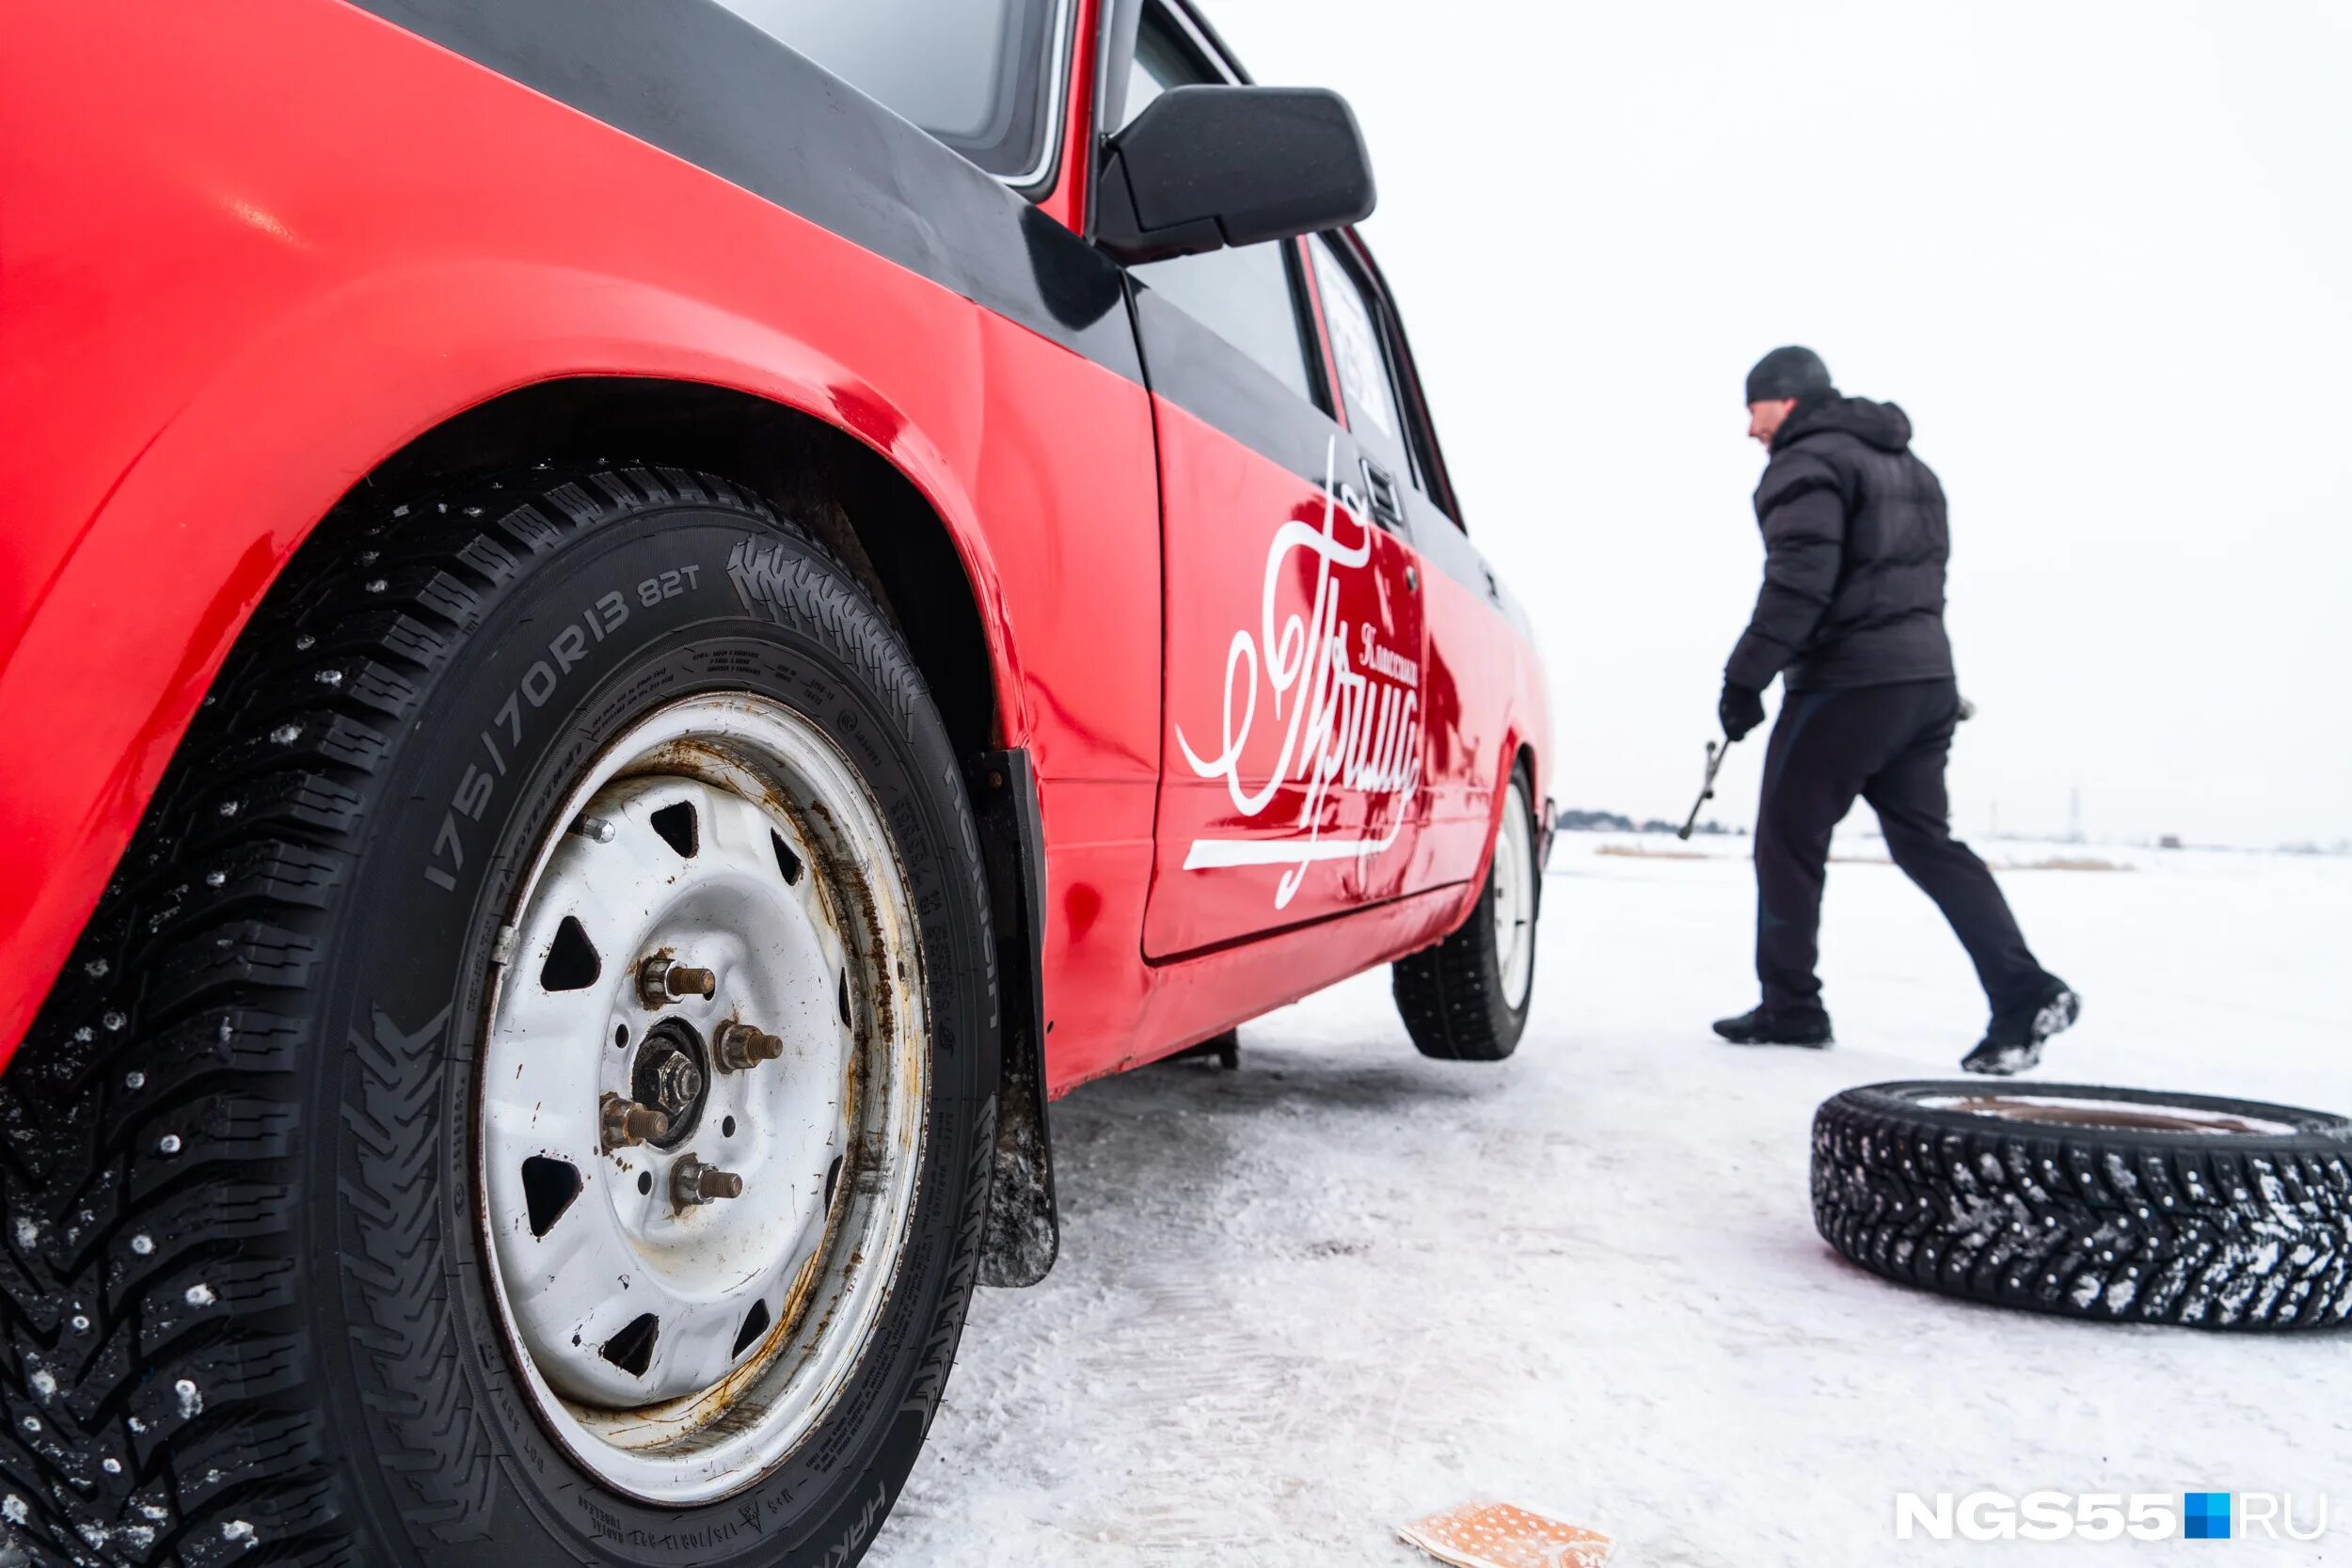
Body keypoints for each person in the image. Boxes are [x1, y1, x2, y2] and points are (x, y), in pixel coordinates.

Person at [1711, 346, 2078, 1075]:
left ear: (1785, 400)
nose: (1748, 429)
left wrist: (1743, 678)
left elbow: (1800, 583)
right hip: (1924, 681)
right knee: (1924, 842)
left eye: (1752, 408)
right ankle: (2023, 991)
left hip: (1848, 683)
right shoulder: (1912, 467)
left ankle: (1793, 1006)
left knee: (1787, 838)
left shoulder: (1804, 464)